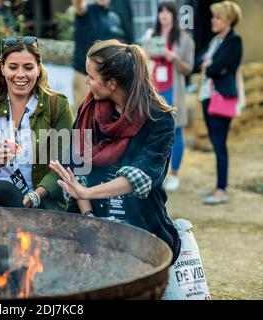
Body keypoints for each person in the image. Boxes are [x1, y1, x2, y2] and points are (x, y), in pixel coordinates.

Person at [50, 39, 181, 262]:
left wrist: (88, 192)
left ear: (111, 83)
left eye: (91, 76)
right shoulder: (88, 111)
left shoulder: (158, 119)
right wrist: (90, 217)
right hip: (89, 218)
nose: (87, 81)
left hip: (140, 225)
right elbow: (75, 170)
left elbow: (142, 178)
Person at [0, 36, 74, 211]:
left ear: (38, 69)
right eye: (13, 67)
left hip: (41, 204)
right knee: (2, 189)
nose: (20, 75)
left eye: (28, 67)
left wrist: (35, 196)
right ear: (2, 68)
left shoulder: (57, 106)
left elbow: (63, 163)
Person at [143, 1, 195, 192]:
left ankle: (174, 173)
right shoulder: (150, 35)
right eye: (161, 11)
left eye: (167, 11)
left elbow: (189, 67)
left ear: (174, 15)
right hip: (154, 89)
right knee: (151, 129)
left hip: (174, 89)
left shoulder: (183, 39)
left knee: (176, 130)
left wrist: (174, 57)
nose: (164, 15)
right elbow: (142, 59)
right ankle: (155, 171)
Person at [194, 1, 242, 205]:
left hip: (221, 97)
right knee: (216, 143)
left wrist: (211, 66)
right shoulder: (215, 41)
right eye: (214, 17)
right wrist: (209, 65)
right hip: (208, 96)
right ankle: (217, 187)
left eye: (218, 17)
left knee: (220, 144)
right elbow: (198, 63)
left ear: (229, 20)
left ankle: (222, 190)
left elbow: (218, 68)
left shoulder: (234, 41)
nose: (214, 20)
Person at [72, 0, 134, 115]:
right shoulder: (87, 11)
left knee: (103, 118)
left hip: (106, 78)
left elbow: (122, 44)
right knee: (82, 118)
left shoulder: (114, 17)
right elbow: (78, 4)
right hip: (85, 74)